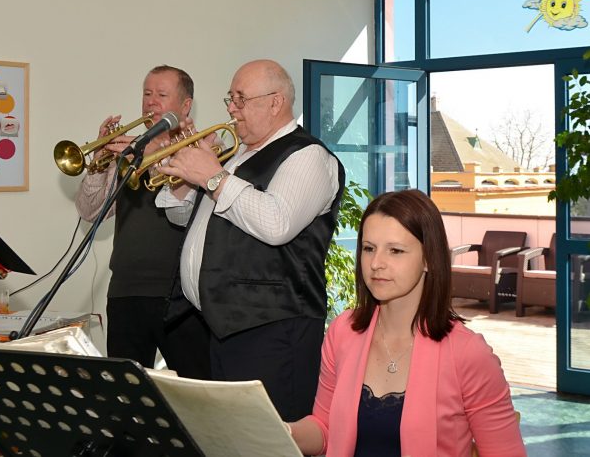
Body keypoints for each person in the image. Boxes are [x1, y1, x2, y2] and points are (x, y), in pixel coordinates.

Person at [155, 59, 345, 422]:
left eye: (241, 99)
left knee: (272, 436)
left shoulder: (308, 156)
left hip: (273, 331)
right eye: (231, 98)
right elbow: (185, 219)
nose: (231, 108)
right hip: (219, 326)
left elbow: (277, 223)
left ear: (276, 102)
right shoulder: (237, 156)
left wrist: (212, 177)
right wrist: (185, 178)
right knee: (230, 436)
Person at [288, 189, 526, 457]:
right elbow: (325, 427)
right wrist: (283, 432)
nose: (376, 263)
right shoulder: (343, 332)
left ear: (428, 259)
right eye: (368, 248)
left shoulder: (468, 353)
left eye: (395, 251)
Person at [74, 65, 210, 379]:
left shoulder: (200, 149)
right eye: (147, 94)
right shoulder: (129, 150)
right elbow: (90, 211)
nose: (151, 102)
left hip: (182, 296)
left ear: (185, 106)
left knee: (196, 388)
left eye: (161, 94)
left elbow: (191, 208)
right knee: (127, 393)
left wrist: (156, 153)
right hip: (126, 290)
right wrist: (99, 163)